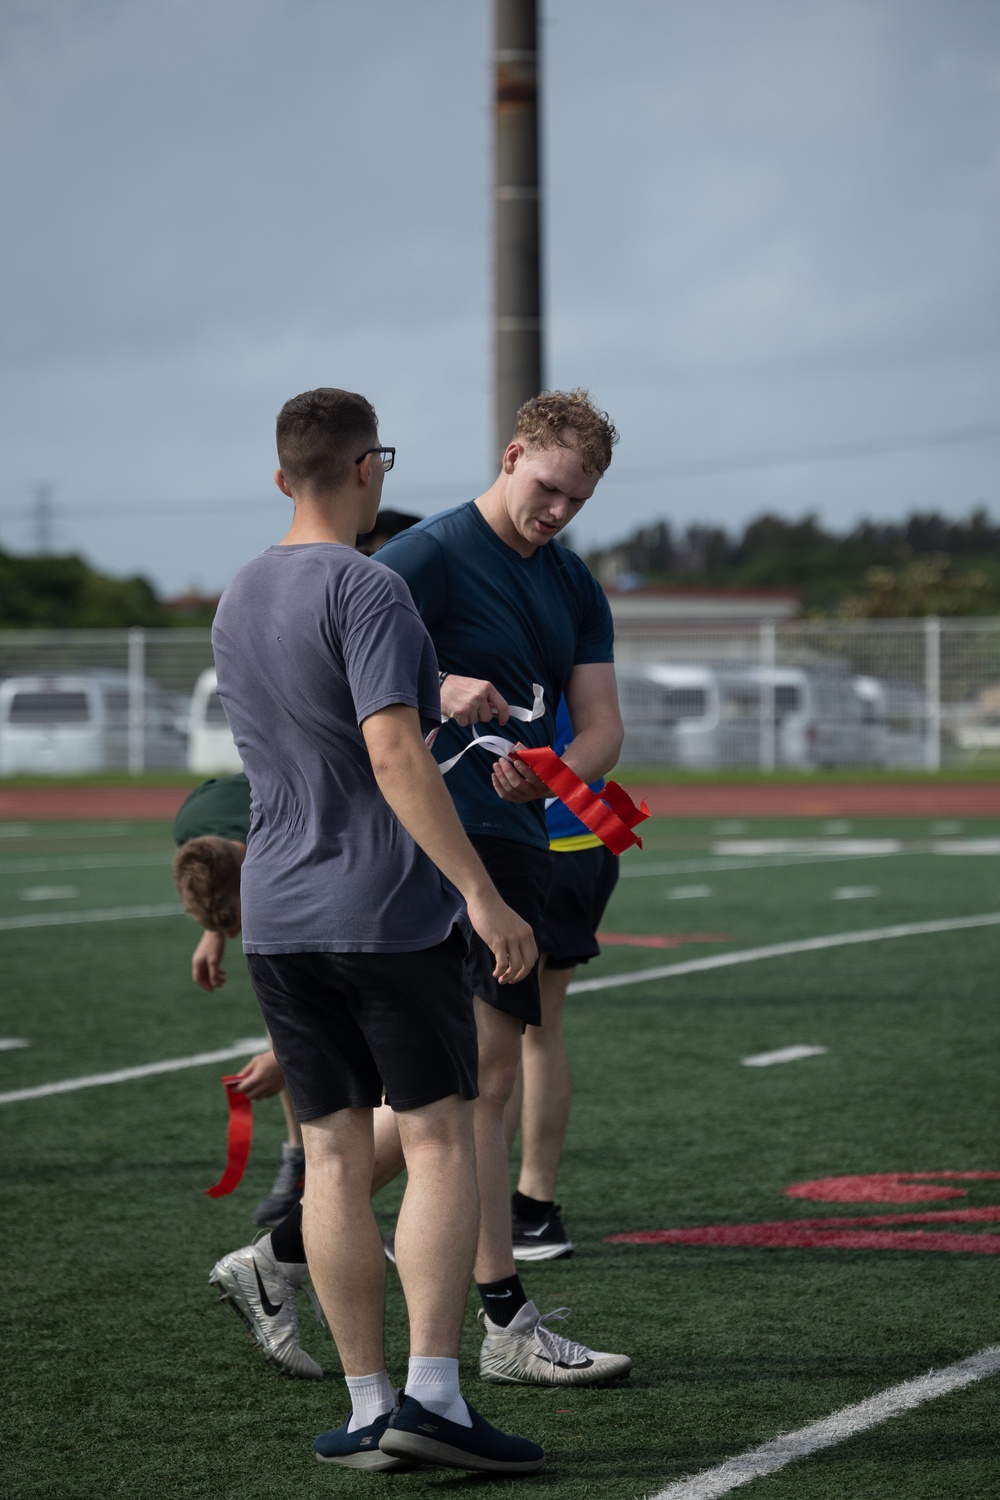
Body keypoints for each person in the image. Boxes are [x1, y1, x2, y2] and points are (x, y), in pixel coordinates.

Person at [211, 386, 543, 1473]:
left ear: (278, 477)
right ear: (370, 468)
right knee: (442, 1137)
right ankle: (435, 1397)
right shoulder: (372, 586)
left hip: (280, 912)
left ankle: (366, 1410)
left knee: (333, 1159)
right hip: (381, 912)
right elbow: (392, 755)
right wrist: (482, 896)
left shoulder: (236, 595)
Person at [376, 388, 633, 1387]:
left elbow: (601, 723)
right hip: (438, 843)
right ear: (513, 453)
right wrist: (434, 684)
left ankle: (287, 1238)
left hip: (524, 840)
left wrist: (564, 771)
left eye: (578, 498)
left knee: (463, 1083)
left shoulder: (573, 584)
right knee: (475, 1084)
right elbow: (337, 655)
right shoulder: (429, 553)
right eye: (548, 487)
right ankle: (504, 1321)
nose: (559, 510)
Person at [506, 696, 621, 1261]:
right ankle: (531, 1209)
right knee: (536, 1031)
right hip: (588, 833)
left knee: (496, 1037)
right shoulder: (573, 610)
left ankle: (480, 1212)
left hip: (537, 841)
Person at [172, 774, 305, 1228]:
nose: (237, 934)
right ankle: (300, 1154)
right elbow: (214, 866)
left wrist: (282, 1056)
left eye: (235, 922)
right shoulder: (192, 826)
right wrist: (214, 930)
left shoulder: (287, 830)